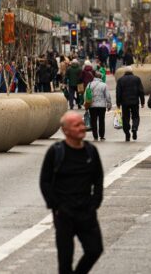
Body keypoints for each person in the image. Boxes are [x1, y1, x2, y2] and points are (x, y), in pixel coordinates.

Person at [39, 112, 104, 274]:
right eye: (77, 125)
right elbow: (45, 182)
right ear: (65, 130)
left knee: (94, 249)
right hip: (64, 214)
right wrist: (57, 206)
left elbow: (98, 179)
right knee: (65, 259)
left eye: (82, 124)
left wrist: (94, 203)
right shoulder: (56, 152)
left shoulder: (91, 151)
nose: (82, 128)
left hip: (86, 212)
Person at [116, 66, 145, 142]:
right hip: (135, 101)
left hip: (124, 102)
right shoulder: (137, 79)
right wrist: (142, 102)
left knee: (125, 118)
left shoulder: (120, 80)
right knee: (135, 116)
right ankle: (134, 127)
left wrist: (118, 103)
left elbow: (118, 93)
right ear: (132, 71)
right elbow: (141, 91)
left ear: (124, 72)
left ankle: (127, 134)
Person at [88, 72, 112, 141]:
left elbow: (85, 95)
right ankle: (102, 135)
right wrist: (109, 104)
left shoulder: (89, 84)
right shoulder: (104, 85)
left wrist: (86, 104)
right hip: (101, 106)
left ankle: (95, 136)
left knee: (93, 121)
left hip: (92, 106)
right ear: (100, 77)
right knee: (101, 121)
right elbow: (107, 96)